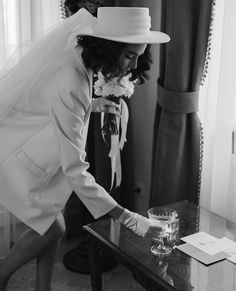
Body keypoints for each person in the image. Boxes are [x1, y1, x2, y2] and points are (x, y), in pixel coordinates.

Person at [0, 7, 170, 291]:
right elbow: (76, 172)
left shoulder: (78, 54)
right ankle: (2, 272)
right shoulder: (72, 81)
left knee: (51, 228)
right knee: (54, 227)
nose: (133, 65)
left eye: (139, 55)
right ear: (108, 47)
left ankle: (42, 288)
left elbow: (54, 106)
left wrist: (95, 104)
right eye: (130, 55)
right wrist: (129, 217)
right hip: (18, 155)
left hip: (31, 145)